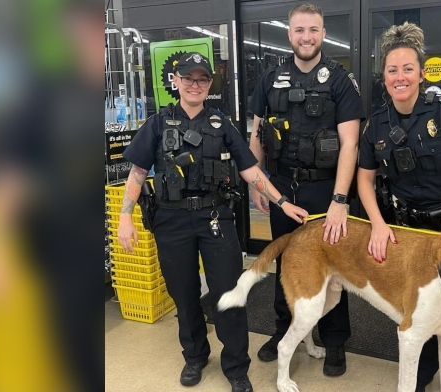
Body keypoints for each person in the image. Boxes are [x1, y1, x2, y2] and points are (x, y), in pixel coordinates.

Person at [117, 52, 308, 392]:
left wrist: (281, 201)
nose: (194, 85)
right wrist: (125, 216)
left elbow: (250, 170)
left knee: (228, 295)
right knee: (184, 294)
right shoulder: (159, 123)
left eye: (201, 79)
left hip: (216, 218)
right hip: (171, 221)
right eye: (188, 78)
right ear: (175, 81)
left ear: (209, 85)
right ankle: (195, 356)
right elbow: (138, 171)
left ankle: (236, 366)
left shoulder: (223, 125)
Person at [357, 23, 441, 392]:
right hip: (410, 233)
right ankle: (422, 373)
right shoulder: (376, 125)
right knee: (421, 306)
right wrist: (377, 225)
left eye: (406, 69)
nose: (399, 77)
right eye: (391, 70)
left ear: (419, 73)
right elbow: (364, 180)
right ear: (383, 76)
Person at [247, 3, 365, 377]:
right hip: (281, 186)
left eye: (313, 30)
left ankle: (334, 342)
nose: (306, 37)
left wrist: (340, 200)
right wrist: (258, 185)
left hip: (324, 191)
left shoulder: (340, 81)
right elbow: (257, 135)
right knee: (287, 263)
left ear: (323, 34)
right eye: (299, 30)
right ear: (289, 35)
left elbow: (350, 145)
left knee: (335, 266)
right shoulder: (270, 79)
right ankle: (285, 332)